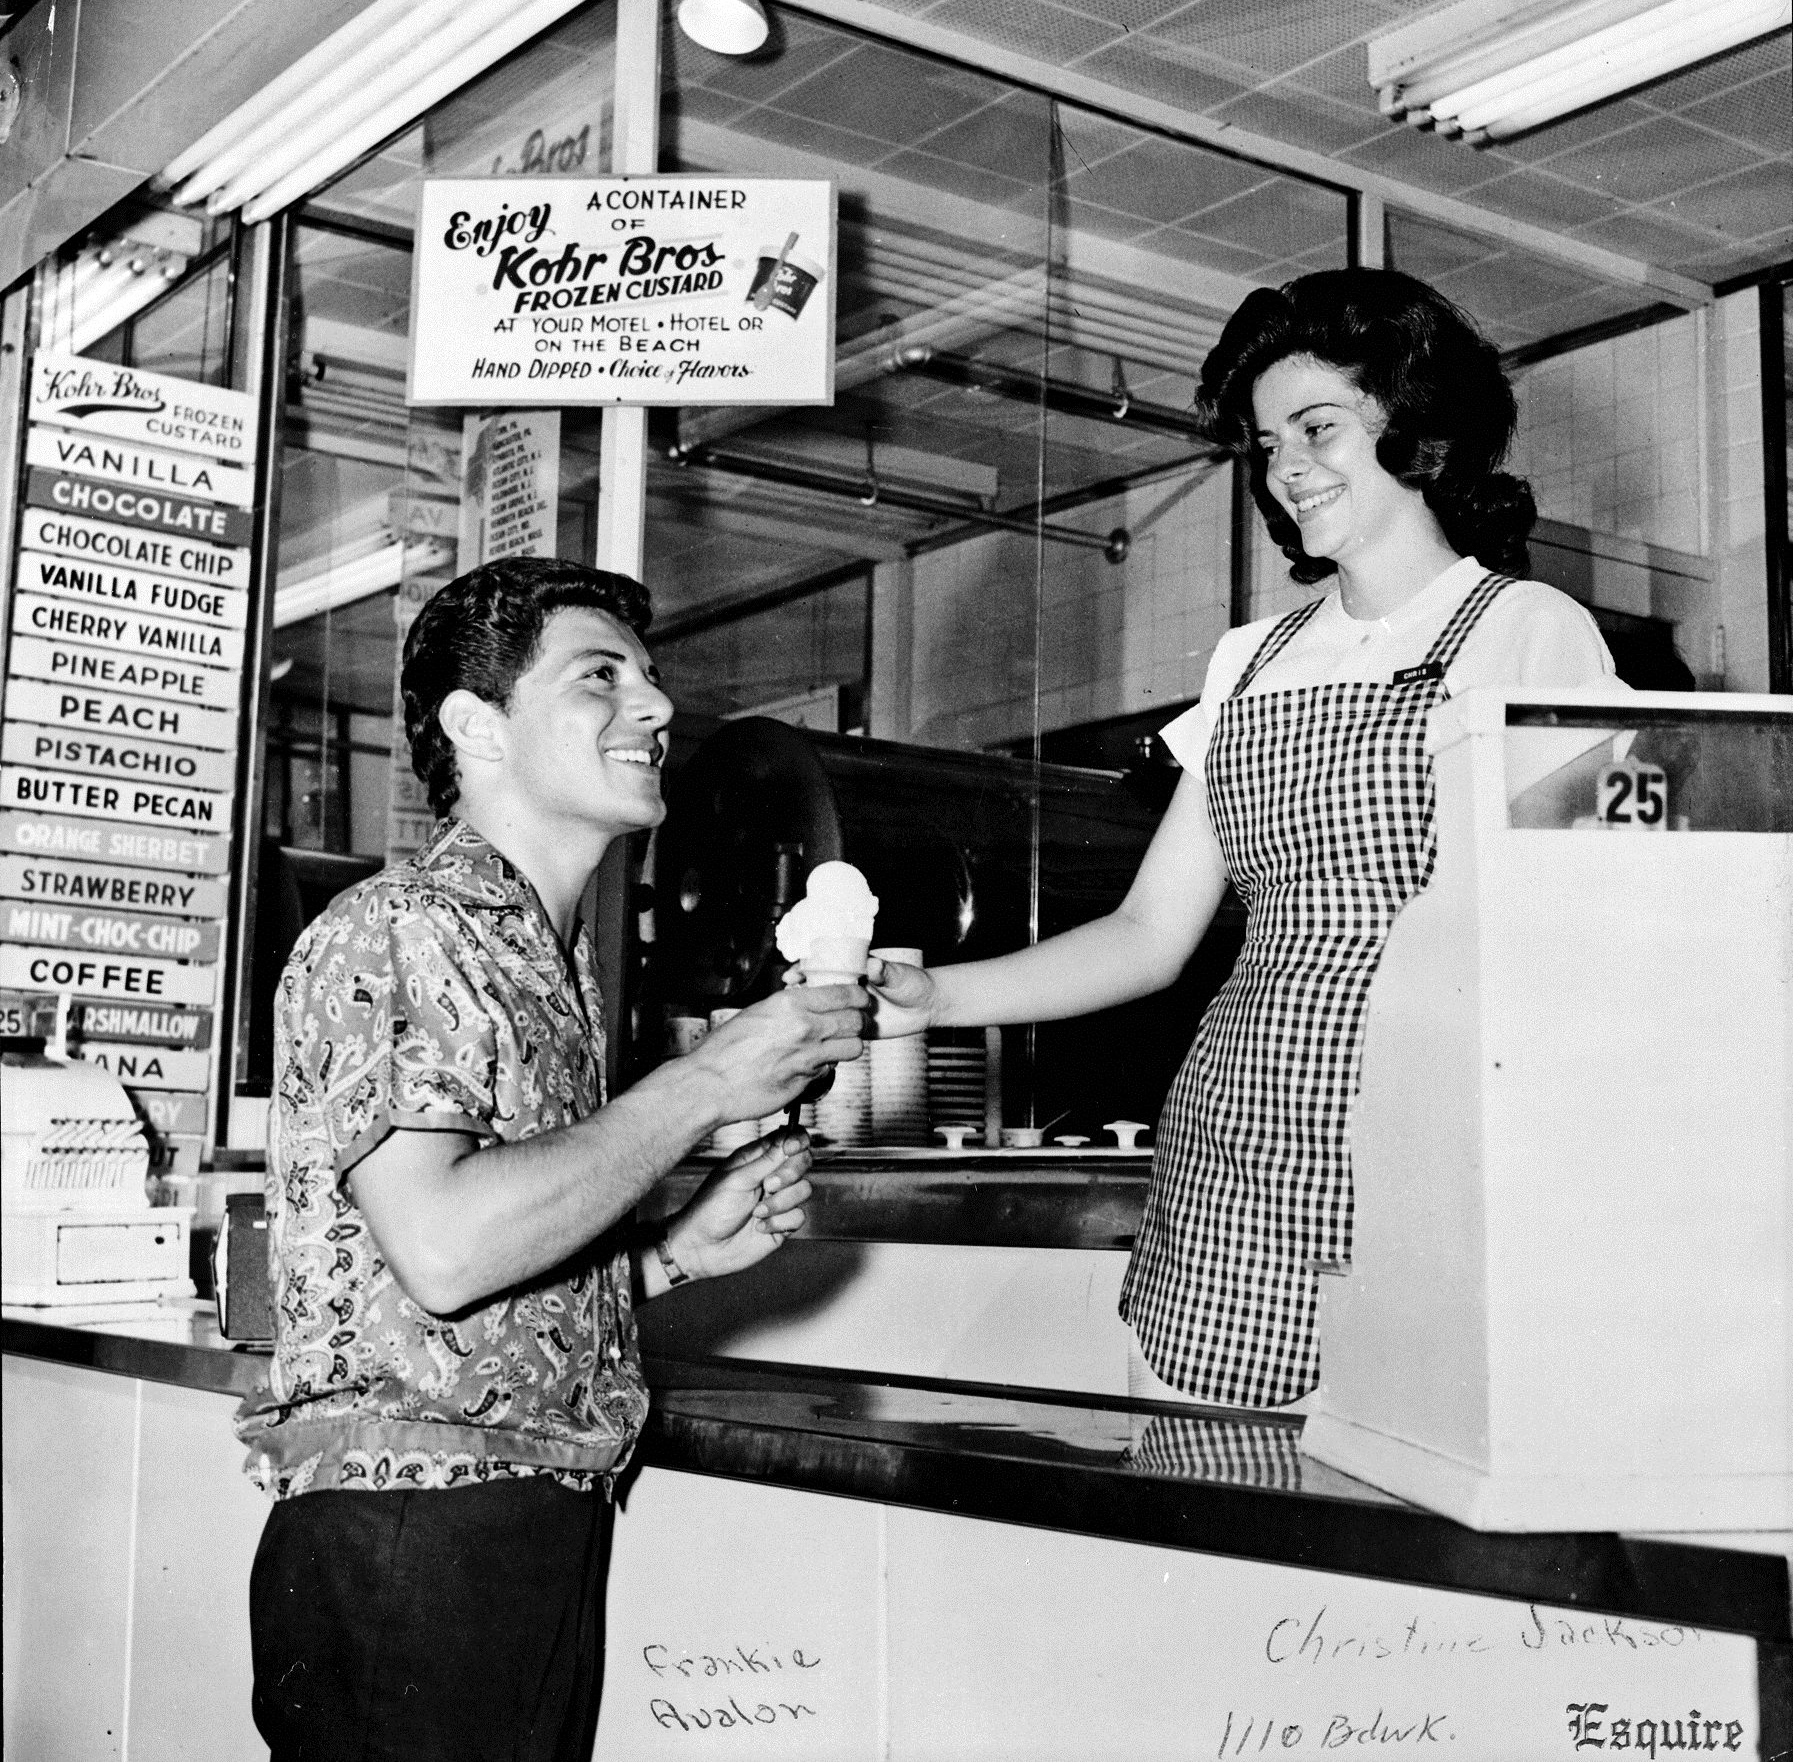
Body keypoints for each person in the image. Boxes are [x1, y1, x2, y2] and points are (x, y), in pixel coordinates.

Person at [869, 269, 1618, 1412]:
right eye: (1267, 445)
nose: (1286, 469)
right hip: (1229, 1161)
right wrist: (939, 1000)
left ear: (1413, 426)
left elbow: (1588, 941)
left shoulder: (1526, 632)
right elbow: (1145, 934)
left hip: (1415, 1157)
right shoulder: (1250, 659)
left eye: (1316, 428)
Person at [236, 558, 865, 1761]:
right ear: (476, 727)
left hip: (510, 1517)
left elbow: (463, 1289)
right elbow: (446, 1248)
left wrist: (670, 1259)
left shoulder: (541, 957)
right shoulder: (405, 926)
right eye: (599, 677)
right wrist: (705, 1084)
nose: (656, 707)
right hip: (416, 1533)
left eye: (651, 677)